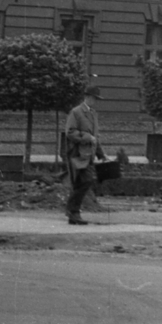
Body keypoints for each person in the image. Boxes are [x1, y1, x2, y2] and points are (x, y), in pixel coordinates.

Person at [64, 82, 104, 225]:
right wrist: (87, 137)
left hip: (89, 155)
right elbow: (70, 132)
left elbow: (95, 136)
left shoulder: (93, 114)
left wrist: (101, 154)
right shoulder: (76, 112)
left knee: (84, 182)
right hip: (77, 155)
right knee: (84, 181)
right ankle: (72, 210)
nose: (95, 101)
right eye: (94, 98)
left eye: (96, 99)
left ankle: (73, 213)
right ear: (87, 97)